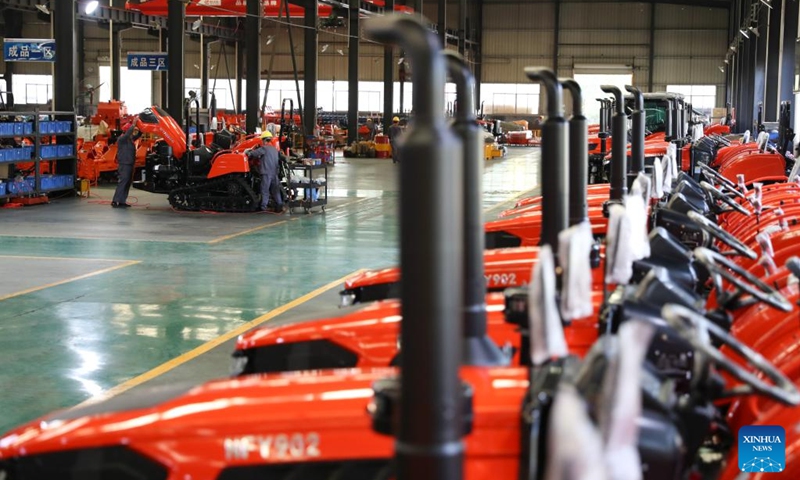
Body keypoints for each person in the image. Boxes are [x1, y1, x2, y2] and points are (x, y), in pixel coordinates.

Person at [247, 130, 284, 212]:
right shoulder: (274, 149)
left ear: (264, 140)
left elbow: (254, 153)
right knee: (275, 189)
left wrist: (248, 153)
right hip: (274, 173)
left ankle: (263, 207)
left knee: (265, 190)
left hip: (266, 173)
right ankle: (279, 204)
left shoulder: (264, 148)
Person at [111, 118, 142, 208]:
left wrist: (141, 129)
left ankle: (122, 201)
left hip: (130, 163)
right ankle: (115, 201)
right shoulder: (122, 139)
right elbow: (128, 133)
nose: (133, 133)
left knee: (127, 182)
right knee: (123, 181)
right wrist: (133, 124)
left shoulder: (129, 139)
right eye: (132, 131)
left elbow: (137, 136)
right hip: (124, 163)